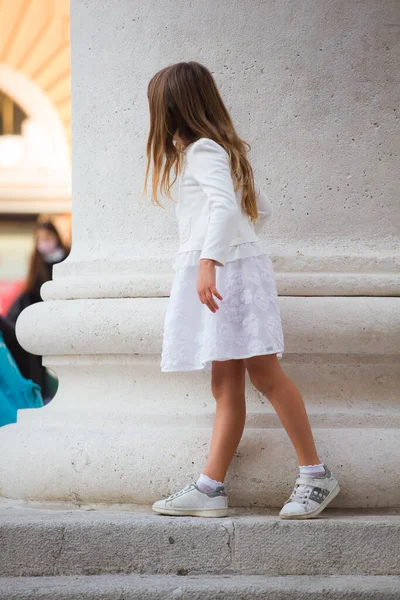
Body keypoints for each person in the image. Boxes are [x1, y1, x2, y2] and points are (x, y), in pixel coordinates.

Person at [144, 61, 340, 520]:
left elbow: (226, 205)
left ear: (173, 106)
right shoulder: (220, 150)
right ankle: (211, 488)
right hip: (230, 268)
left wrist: (210, 259)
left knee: (263, 373)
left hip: (226, 272)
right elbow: (258, 210)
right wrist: (226, 248)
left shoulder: (203, 151)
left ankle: (315, 475)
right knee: (224, 381)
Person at [7, 219, 67, 401]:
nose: (44, 242)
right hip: (40, 312)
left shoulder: (67, 257)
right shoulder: (36, 260)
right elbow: (31, 287)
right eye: (40, 239)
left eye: (47, 237)